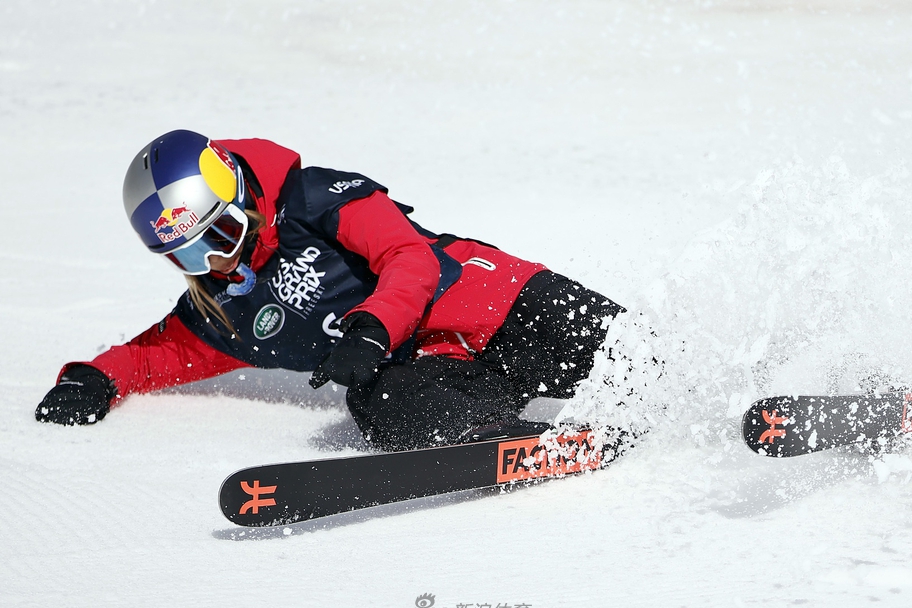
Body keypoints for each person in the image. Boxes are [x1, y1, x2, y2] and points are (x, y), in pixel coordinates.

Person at [35, 130, 624, 451]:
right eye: (189, 253)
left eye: (221, 231)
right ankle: (522, 442)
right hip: (448, 372)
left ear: (237, 193)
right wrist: (94, 378)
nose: (215, 257)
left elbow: (408, 256)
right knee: (379, 404)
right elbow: (157, 353)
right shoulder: (228, 308)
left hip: (502, 306)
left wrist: (371, 329)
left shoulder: (313, 199)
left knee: (647, 361)